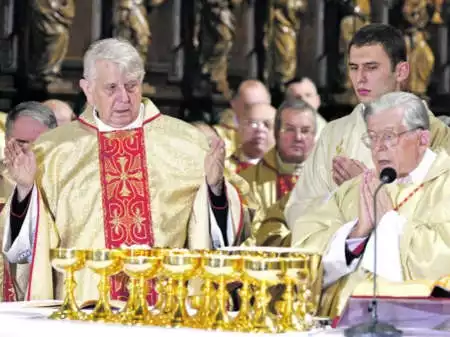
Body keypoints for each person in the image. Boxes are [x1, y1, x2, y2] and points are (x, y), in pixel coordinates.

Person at [0, 38, 245, 303]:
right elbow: (23, 253)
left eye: (131, 86)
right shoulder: (53, 151)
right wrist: (25, 191)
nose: (123, 98)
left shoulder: (187, 142)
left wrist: (216, 190)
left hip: (165, 308)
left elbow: (222, 240)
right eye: (111, 88)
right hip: (83, 308)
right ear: (88, 89)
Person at [292, 92, 450, 318]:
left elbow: (442, 260)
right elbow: (305, 247)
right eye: (372, 138)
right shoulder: (358, 187)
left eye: (388, 137)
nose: (378, 148)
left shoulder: (445, 184)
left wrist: (389, 223)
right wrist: (355, 235)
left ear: (423, 139)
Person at [285, 23, 450, 228]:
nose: (360, 79)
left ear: (401, 71)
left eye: (371, 67)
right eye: (354, 68)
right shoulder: (334, 133)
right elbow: (299, 211)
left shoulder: (435, 134)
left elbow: (435, 222)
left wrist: (363, 188)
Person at [240, 98, 316, 213]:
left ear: (314, 135)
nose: (298, 137)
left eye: (305, 131)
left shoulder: (329, 179)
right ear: (276, 133)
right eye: (290, 129)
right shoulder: (247, 182)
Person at [0, 102, 58, 208]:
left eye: (39, 143)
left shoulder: (68, 182)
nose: (30, 151)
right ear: (6, 140)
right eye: (21, 143)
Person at [213, 80, 271, 158]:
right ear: (233, 104)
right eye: (249, 107)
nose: (257, 113)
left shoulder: (278, 136)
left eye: (262, 106)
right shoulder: (217, 137)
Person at [227, 103, 276, 173]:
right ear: (240, 128)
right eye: (253, 123)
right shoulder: (222, 167)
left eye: (267, 124)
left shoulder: (288, 172)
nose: (260, 129)